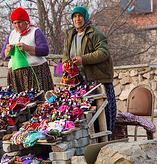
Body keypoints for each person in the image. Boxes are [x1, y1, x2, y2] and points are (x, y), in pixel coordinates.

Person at [62, 6, 117, 139]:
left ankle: (105, 141)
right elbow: (65, 55)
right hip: (79, 83)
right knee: (86, 115)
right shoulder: (71, 35)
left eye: (80, 16)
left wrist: (83, 59)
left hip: (98, 80)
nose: (77, 19)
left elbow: (103, 53)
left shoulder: (95, 34)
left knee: (103, 114)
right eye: (74, 17)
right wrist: (65, 63)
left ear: (85, 17)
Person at [1, 7, 54, 93]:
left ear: (26, 22)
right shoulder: (12, 35)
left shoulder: (35, 32)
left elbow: (45, 50)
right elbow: (3, 56)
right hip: (16, 76)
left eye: (20, 22)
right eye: (14, 23)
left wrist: (27, 48)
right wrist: (8, 50)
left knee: (38, 101)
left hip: (35, 73)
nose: (17, 25)